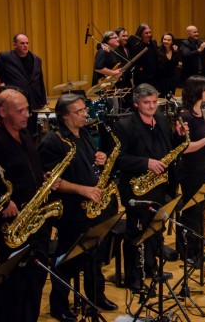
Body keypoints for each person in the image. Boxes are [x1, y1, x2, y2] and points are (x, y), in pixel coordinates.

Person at [38, 94, 118, 321]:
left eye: (85, 110)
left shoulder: (83, 132)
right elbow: (51, 181)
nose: (86, 114)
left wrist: (99, 157)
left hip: (92, 205)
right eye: (80, 112)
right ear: (64, 116)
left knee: (95, 254)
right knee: (67, 259)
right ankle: (59, 305)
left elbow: (88, 161)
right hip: (71, 210)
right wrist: (82, 189)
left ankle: (95, 296)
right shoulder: (52, 142)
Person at [0, 89, 53, 322]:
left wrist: (42, 176)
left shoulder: (24, 134)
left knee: (35, 280)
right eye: (20, 111)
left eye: (27, 109)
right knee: (15, 287)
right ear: (3, 112)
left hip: (33, 219)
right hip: (11, 225)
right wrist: (0, 201)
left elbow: (27, 169)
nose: (27, 114)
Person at [114, 83, 185, 292]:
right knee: (136, 233)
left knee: (156, 229)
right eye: (146, 103)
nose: (152, 106)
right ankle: (134, 278)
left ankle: (152, 268)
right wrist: (146, 163)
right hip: (137, 189)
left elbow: (170, 148)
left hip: (161, 185)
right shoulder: (124, 126)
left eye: (154, 102)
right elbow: (118, 158)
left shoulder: (162, 120)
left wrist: (179, 135)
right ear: (136, 104)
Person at [176, 76, 205, 260]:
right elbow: (184, 148)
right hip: (191, 171)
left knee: (200, 208)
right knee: (191, 211)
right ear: (197, 91)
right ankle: (187, 251)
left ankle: (198, 249)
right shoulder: (185, 116)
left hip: (202, 169)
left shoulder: (199, 111)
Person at [0, 33, 48, 137]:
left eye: (27, 43)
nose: (25, 45)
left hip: (34, 99)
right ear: (14, 44)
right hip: (16, 99)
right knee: (18, 127)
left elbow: (40, 80)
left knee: (32, 129)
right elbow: (1, 76)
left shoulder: (37, 59)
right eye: (22, 43)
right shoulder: (5, 57)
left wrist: (43, 99)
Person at [155, 32, 181, 98]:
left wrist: (176, 52)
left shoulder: (174, 51)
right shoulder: (158, 51)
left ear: (172, 42)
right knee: (161, 99)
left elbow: (177, 63)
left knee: (171, 99)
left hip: (171, 80)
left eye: (168, 40)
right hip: (160, 80)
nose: (166, 41)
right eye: (164, 39)